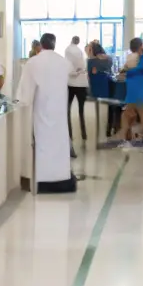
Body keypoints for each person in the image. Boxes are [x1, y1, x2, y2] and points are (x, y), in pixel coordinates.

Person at [17, 32, 74, 192]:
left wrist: (22, 100)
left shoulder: (33, 62)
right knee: (59, 142)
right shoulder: (64, 62)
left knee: (43, 142)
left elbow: (25, 94)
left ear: (40, 45)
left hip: (42, 109)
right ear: (54, 45)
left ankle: (44, 178)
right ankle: (61, 177)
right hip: (60, 110)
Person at [121, 37, 143, 148]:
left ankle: (126, 140)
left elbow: (127, 70)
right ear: (141, 45)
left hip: (133, 89)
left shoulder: (133, 57)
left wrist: (126, 71)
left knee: (128, 115)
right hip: (142, 89)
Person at [87, 42, 121, 137]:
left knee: (101, 109)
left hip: (97, 89)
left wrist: (96, 70)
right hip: (108, 85)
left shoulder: (91, 61)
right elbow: (109, 69)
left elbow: (90, 74)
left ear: (93, 50)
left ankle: (106, 128)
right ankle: (110, 128)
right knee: (112, 107)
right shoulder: (109, 59)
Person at [64, 35, 88, 143]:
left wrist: (75, 71)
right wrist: (80, 70)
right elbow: (82, 67)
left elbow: (69, 69)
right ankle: (84, 134)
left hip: (71, 84)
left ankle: (69, 133)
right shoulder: (79, 52)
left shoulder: (68, 51)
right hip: (82, 84)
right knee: (81, 110)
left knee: (67, 109)